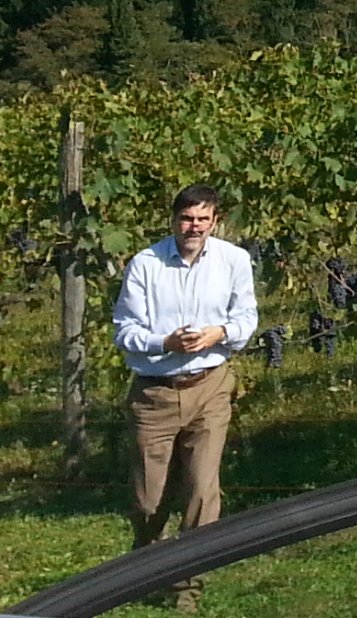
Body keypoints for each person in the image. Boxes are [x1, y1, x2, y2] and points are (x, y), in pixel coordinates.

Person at [112, 182, 257, 564]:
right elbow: (125, 331)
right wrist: (165, 343)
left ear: (215, 221)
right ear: (174, 221)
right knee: (148, 501)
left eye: (203, 219)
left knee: (202, 492)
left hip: (209, 386)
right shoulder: (146, 264)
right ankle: (145, 566)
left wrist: (219, 333)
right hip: (154, 394)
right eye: (187, 219)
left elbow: (246, 318)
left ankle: (189, 582)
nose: (194, 227)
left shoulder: (234, 261)